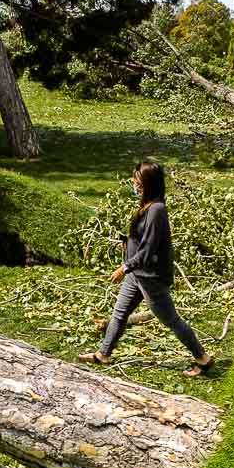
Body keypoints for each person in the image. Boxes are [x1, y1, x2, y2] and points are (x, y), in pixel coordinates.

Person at [80, 161, 214, 376]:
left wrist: (124, 267)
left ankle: (203, 358)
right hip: (138, 274)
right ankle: (103, 354)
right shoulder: (148, 205)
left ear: (148, 184)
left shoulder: (157, 210)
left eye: (138, 182)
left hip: (151, 277)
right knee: (120, 313)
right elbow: (143, 240)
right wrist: (129, 242)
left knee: (171, 320)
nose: (134, 184)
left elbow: (150, 249)